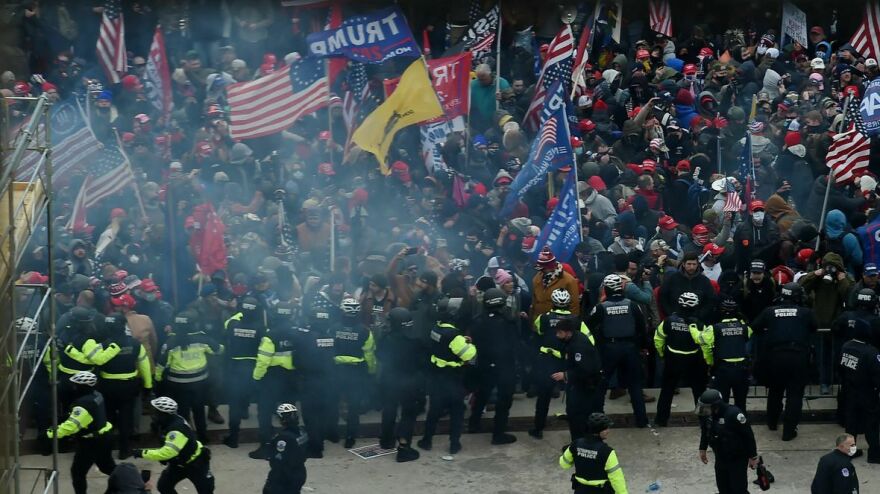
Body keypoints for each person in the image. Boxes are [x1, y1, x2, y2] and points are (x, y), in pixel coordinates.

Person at [752, 282, 817, 441]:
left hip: (775, 356)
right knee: (795, 394)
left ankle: (772, 422)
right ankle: (788, 431)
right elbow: (814, 327)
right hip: (798, 356)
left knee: (775, 390)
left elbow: (755, 326)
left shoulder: (770, 311)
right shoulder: (806, 312)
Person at [588, 274, 650, 427]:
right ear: (621, 288)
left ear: (606, 289)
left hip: (609, 348)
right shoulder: (633, 305)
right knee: (635, 385)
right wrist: (643, 346)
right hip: (630, 348)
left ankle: (597, 419)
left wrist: (597, 344)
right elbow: (642, 328)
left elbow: (587, 326)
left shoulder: (600, 307)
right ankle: (641, 420)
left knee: (602, 384)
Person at [529, 288, 592, 439]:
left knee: (543, 396)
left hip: (547, 361)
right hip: (568, 363)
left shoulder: (543, 318)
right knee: (574, 396)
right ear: (569, 303)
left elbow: (536, 333)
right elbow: (590, 340)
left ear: (553, 303)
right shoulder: (577, 320)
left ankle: (538, 429)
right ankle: (579, 430)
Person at [418, 297, 476, 454]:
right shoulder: (454, 335)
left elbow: (444, 344)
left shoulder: (435, 329)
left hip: (438, 377)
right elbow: (468, 355)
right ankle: (454, 444)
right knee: (457, 411)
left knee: (434, 410)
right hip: (453, 378)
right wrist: (468, 344)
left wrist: (460, 341)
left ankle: (426, 440)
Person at [155, 311, 222, 443]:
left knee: (183, 413)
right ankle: (203, 437)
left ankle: (186, 439)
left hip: (177, 385)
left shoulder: (170, 342)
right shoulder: (202, 339)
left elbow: (161, 365)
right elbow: (219, 350)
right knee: (199, 410)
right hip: (199, 383)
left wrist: (157, 379)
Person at [48, 371, 116, 494]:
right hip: (105, 437)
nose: (74, 387)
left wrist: (49, 434)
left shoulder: (83, 404)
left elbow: (71, 427)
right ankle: (135, 481)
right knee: (107, 467)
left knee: (77, 472)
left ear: (83, 387)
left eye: (76, 385)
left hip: (91, 443)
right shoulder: (97, 395)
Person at [97, 313, 152, 459]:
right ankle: (124, 450)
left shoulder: (103, 344)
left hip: (107, 386)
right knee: (125, 419)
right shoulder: (134, 344)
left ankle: (105, 451)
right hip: (128, 387)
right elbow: (144, 366)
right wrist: (148, 385)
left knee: (107, 418)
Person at [468, 288, 518, 445]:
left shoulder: (477, 320)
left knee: (482, 395)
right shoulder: (507, 321)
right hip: (504, 366)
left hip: (484, 365)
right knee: (504, 400)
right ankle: (498, 434)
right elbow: (513, 344)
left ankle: (473, 424)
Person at [134, 397, 214, 494]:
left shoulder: (176, 431)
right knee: (164, 486)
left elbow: (167, 453)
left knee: (206, 490)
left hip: (196, 464)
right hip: (178, 464)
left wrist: (142, 453)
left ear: (164, 414)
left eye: (156, 412)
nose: (153, 415)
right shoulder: (168, 421)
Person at [377, 307, 424, 462]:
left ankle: (386, 440)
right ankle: (404, 448)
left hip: (389, 380)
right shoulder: (414, 341)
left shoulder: (386, 338)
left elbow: (380, 356)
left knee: (389, 409)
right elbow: (421, 362)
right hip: (409, 382)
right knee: (408, 414)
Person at [654, 292, 709, 427]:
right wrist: (709, 361)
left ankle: (661, 420)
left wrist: (662, 354)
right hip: (694, 360)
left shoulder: (668, 321)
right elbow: (707, 343)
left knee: (667, 390)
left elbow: (658, 339)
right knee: (699, 391)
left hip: (673, 359)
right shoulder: (699, 324)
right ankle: (704, 421)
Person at [251, 302, 298, 453]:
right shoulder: (297, 332)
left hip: (272, 378)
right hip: (292, 377)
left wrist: (256, 378)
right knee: (290, 411)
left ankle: (265, 445)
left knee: (264, 411)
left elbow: (263, 361)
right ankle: (293, 443)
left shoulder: (269, 336)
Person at [329, 296, 376, 448]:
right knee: (354, 406)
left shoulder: (333, 328)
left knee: (334, 403)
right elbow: (369, 355)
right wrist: (371, 371)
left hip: (337, 371)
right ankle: (350, 438)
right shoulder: (365, 332)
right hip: (356, 373)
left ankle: (333, 434)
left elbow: (329, 350)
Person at [222, 297, 266, 453]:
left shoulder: (232, 324)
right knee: (260, 405)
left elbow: (226, 334)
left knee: (234, 405)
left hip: (235, 367)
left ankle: (233, 439)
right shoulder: (261, 328)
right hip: (253, 367)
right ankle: (263, 439)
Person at [696, 389, 759, 494]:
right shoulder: (708, 416)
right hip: (720, 457)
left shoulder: (734, 414)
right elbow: (705, 431)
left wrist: (753, 457)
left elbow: (748, 436)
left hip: (737, 459)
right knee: (723, 487)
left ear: (715, 406)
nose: (704, 411)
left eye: (706, 408)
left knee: (738, 489)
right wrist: (703, 448)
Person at [554, 314, 603, 441]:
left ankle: (579, 445)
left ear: (568, 333)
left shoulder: (578, 346)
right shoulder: (573, 340)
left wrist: (565, 375)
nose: (557, 336)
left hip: (584, 386)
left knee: (577, 416)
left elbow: (586, 369)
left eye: (560, 333)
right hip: (579, 385)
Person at [838, 321, 880, 463]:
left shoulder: (846, 346)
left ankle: (849, 451)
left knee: (851, 423)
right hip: (867, 393)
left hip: (849, 391)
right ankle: (874, 454)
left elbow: (841, 368)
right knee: (871, 424)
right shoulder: (871, 352)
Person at [702, 296, 752, 411]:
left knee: (721, 402)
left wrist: (710, 362)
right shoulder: (744, 327)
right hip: (742, 369)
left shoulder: (714, 328)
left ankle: (722, 424)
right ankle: (741, 423)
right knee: (741, 402)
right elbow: (747, 338)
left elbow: (704, 342)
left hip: (722, 369)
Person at [558, 413, 628, 493]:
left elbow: (564, 464)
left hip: (580, 490)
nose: (608, 431)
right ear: (600, 431)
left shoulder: (576, 444)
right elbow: (616, 478)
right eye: (606, 429)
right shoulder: (607, 452)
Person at [262, 403, 308, 494]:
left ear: (282, 419)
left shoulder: (283, 438)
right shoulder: (302, 432)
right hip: (300, 472)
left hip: (285, 478)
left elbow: (279, 461)